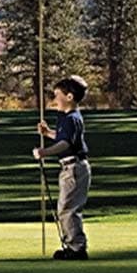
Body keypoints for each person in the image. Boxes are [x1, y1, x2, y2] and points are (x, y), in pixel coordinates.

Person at [32, 74, 91, 260]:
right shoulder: (67, 118)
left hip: (74, 167)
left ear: (69, 97)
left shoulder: (72, 118)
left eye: (58, 95)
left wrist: (44, 152)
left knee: (68, 208)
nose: (55, 99)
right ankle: (70, 246)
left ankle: (76, 248)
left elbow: (66, 144)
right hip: (70, 167)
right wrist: (48, 133)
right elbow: (62, 137)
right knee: (64, 207)